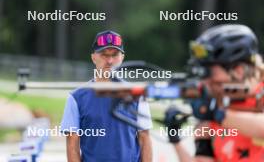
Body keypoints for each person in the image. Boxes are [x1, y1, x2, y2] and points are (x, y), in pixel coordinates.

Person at [165, 24, 264, 162]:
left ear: (238, 70)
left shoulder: (217, 109)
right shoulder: (216, 103)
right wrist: (175, 140)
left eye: (209, 72)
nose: (205, 81)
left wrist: (218, 113)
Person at [60, 30, 153, 162]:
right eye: (104, 55)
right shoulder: (76, 98)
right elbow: (72, 143)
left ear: (122, 58)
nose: (109, 61)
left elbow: (144, 137)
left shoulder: (137, 95)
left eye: (114, 55)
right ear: (93, 57)